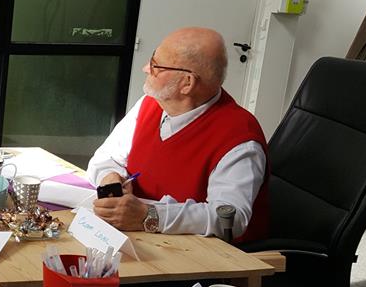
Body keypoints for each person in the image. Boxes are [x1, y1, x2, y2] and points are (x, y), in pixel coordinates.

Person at [87, 27, 268, 242]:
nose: (146, 68)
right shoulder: (152, 104)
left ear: (187, 83)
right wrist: (111, 178)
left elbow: (229, 217)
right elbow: (106, 158)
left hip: (204, 254)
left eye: (156, 66)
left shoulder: (239, 138)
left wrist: (149, 216)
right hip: (143, 240)